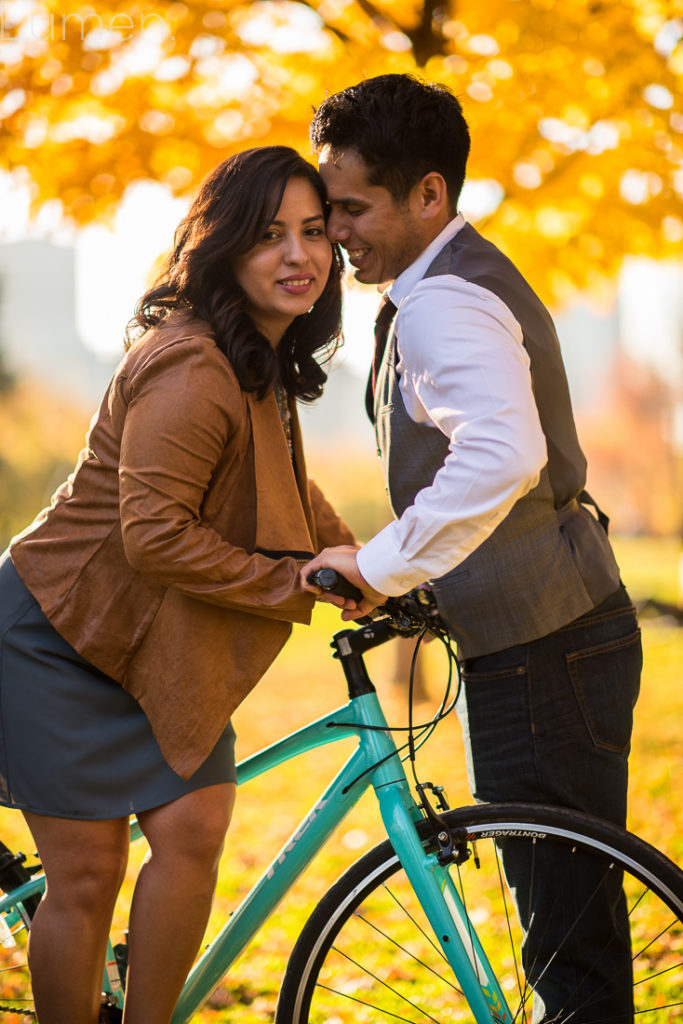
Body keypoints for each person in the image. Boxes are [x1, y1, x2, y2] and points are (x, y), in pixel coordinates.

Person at [301, 74, 642, 1023]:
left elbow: (502, 451)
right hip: (553, 636)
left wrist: (380, 562)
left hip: (548, 647)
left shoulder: (444, 302)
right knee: (566, 928)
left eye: (352, 208)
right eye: (328, 207)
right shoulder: (448, 282)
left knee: (568, 943)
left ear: (429, 195)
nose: (334, 231)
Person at [0, 145, 355, 1024]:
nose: (297, 255)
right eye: (270, 234)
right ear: (226, 245)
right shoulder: (194, 364)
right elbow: (154, 536)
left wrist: (367, 564)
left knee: (193, 834)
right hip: (61, 633)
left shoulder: (254, 362)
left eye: (314, 233)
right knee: (86, 875)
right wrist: (299, 588)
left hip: (149, 642)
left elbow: (283, 489)